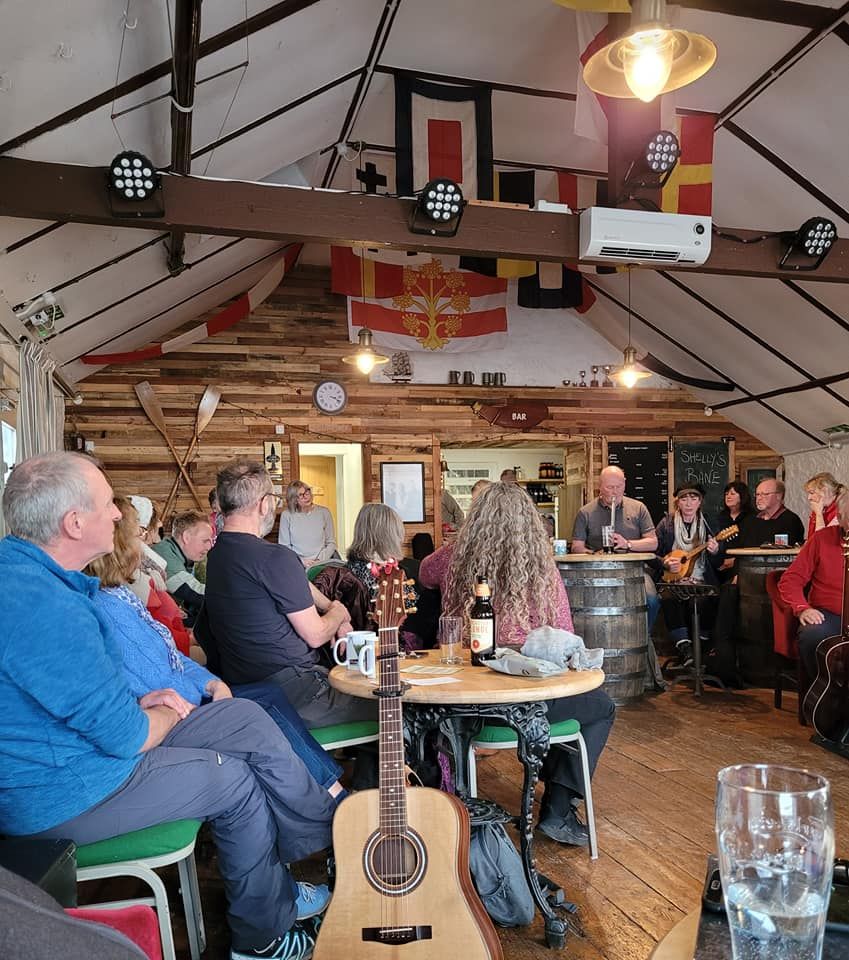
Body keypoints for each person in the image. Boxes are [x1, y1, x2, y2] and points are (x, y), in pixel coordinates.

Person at [0, 452, 336, 960]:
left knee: (246, 715)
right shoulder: (47, 606)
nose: (118, 516)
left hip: (75, 762)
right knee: (234, 779)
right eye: (108, 504)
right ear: (73, 524)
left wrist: (143, 698)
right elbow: (127, 737)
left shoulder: (27, 578)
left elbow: (66, 698)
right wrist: (159, 711)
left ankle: (318, 846)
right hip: (64, 792)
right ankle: (264, 935)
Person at [86, 496, 344, 798]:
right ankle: (329, 794)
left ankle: (327, 788)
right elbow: (157, 677)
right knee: (263, 709)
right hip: (176, 714)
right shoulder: (111, 604)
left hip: (193, 690)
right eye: (139, 534)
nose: (144, 544)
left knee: (269, 696)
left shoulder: (124, 594)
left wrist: (213, 682)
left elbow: (172, 660)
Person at [430, 482, 615, 846]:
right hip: (526, 702)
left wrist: (458, 548)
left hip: (465, 705)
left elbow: (424, 572)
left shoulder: (455, 560)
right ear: (530, 523)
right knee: (601, 707)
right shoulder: (541, 569)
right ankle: (558, 809)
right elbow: (564, 633)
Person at [202, 459, 375, 729]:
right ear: (263, 504)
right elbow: (316, 634)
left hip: (249, 687)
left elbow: (295, 584)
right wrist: (339, 612)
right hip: (299, 693)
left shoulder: (218, 555)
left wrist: (331, 605)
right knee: (394, 699)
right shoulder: (273, 558)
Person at [571, 465, 661, 632]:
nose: (615, 492)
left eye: (619, 486)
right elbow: (577, 546)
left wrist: (627, 543)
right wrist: (595, 553)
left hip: (635, 570)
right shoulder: (586, 512)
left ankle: (643, 638)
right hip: (598, 571)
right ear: (600, 486)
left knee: (651, 600)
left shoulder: (638, 508)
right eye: (610, 487)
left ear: (624, 484)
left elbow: (653, 542)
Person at [778, 490, 847, 682]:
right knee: (812, 635)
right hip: (830, 614)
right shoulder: (822, 539)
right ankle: (823, 692)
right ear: (839, 518)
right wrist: (802, 609)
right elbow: (790, 579)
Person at [652, 483, 723, 665]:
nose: (689, 504)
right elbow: (654, 553)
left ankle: (701, 647)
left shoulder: (709, 523)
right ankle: (685, 648)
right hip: (672, 580)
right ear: (678, 502)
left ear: (700, 502)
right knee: (668, 598)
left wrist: (715, 551)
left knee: (701, 601)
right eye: (684, 499)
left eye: (694, 499)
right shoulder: (667, 523)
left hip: (701, 579)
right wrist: (665, 563)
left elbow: (718, 563)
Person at [345, 502, 424, 650]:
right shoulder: (351, 579)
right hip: (371, 651)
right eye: (398, 532)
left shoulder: (408, 568)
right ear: (388, 536)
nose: (402, 537)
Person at [152, 510, 213, 624]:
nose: (209, 547)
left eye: (211, 541)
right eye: (205, 541)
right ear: (186, 537)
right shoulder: (164, 555)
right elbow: (195, 593)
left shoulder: (173, 551)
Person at [277, 480, 338, 568]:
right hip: (296, 564)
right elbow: (284, 547)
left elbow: (331, 543)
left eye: (307, 491)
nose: (306, 496)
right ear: (294, 500)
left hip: (321, 564)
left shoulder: (324, 512)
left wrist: (319, 561)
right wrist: (302, 561)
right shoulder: (287, 515)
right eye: (301, 495)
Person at [716, 480, 755, 584]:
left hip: (742, 565)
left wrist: (735, 561)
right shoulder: (720, 517)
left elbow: (753, 544)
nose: (728, 496)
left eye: (733, 493)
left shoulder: (752, 517)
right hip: (720, 565)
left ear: (742, 496)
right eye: (726, 494)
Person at [746, 478, 805, 546]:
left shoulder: (790, 520)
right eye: (757, 494)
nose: (759, 498)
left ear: (778, 496)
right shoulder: (752, 520)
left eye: (765, 494)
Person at [804, 472, 843, 539]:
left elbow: (823, 541)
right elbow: (811, 540)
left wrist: (819, 514)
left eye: (812, 493)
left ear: (824, 491)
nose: (809, 498)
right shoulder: (821, 508)